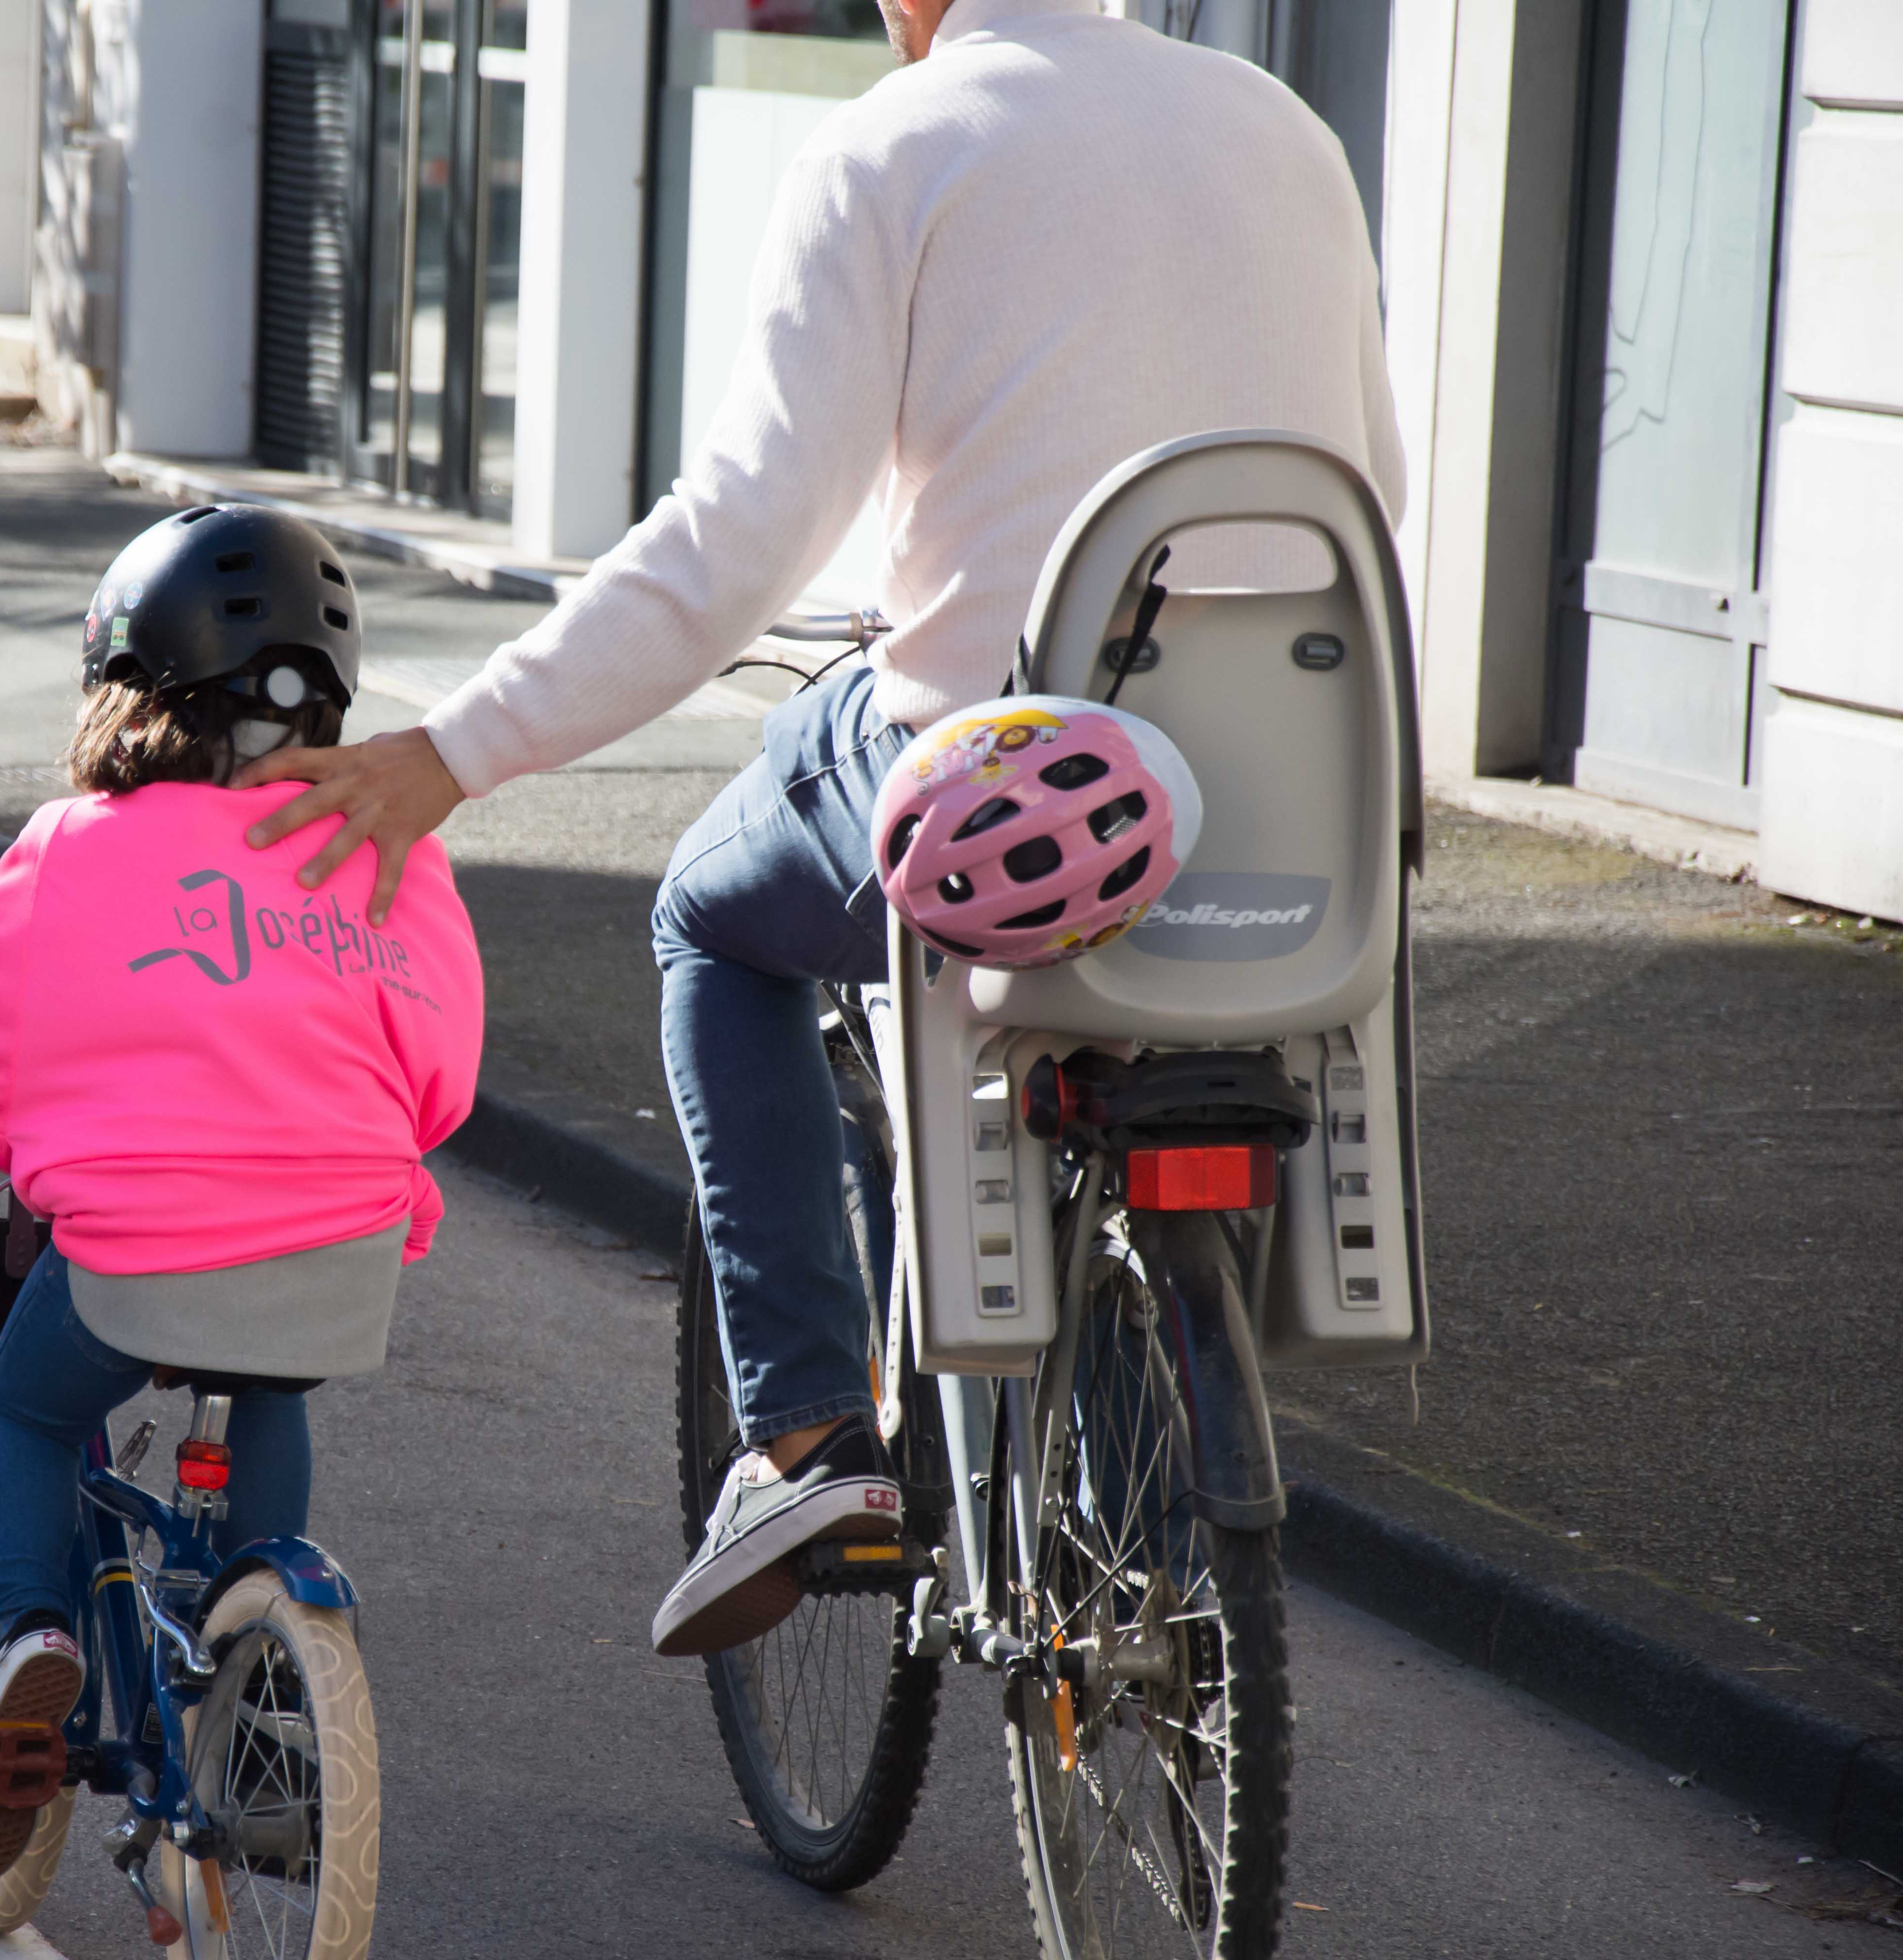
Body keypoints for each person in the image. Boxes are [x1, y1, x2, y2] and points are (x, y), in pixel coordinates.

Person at [230, 0, 1407, 1656]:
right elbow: (1374, 493)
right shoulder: (1286, 128)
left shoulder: (895, 142)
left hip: (1000, 790)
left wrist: (458, 751)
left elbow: (736, 544)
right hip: (1288, 807)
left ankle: (802, 1441)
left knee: (708, 920)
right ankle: (1155, 1558)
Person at [0, 505, 484, 1885]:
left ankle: (29, 1643)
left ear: (129, 689)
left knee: (26, 1415)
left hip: (138, 1256)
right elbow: (442, 1077)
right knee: (263, 1395)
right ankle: (267, 1679)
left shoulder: (80, 852)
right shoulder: (399, 856)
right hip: (342, 1248)